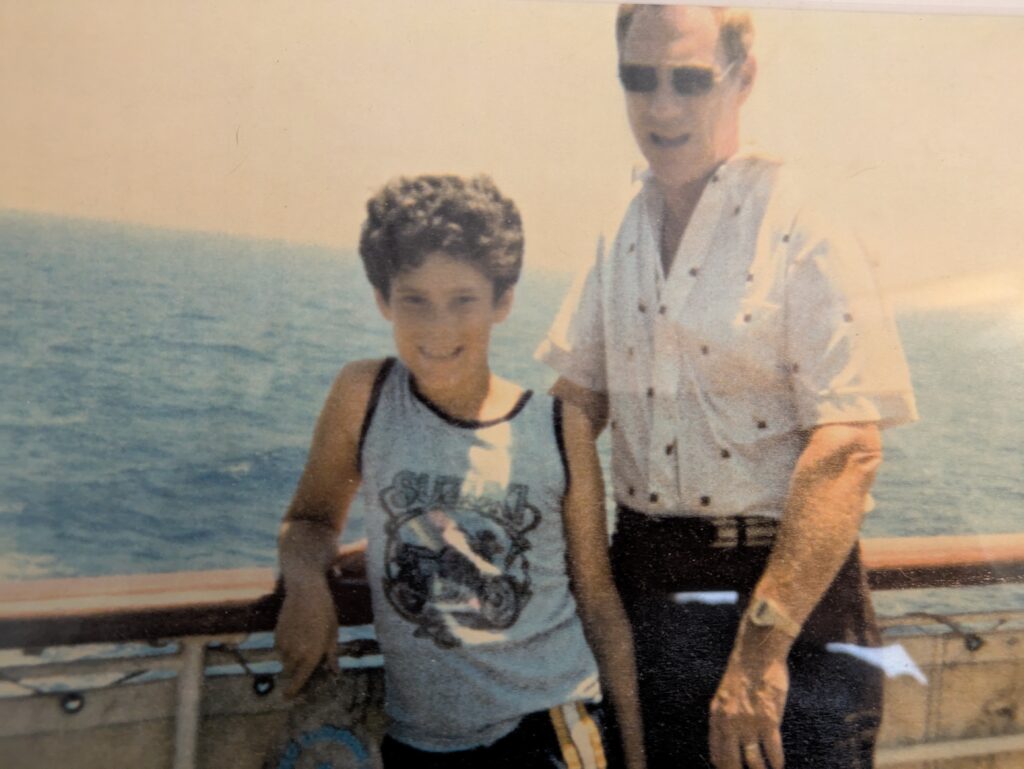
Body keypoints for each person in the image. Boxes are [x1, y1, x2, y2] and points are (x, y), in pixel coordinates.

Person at [536, 6, 917, 769]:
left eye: (689, 80)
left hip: (785, 610)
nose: (662, 106)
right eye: (639, 80)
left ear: (743, 79)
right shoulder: (621, 224)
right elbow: (574, 401)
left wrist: (758, 656)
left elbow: (847, 448)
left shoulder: (806, 221)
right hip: (652, 599)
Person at [275, 174, 646, 769]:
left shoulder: (558, 426)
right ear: (382, 299)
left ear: (503, 301)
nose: (437, 325)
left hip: (549, 728)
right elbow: (311, 520)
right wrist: (305, 584)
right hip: (419, 741)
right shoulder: (363, 396)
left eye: (463, 301)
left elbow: (597, 602)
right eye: (413, 299)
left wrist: (634, 754)